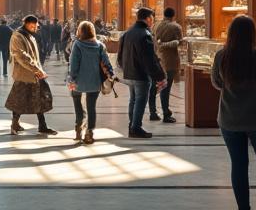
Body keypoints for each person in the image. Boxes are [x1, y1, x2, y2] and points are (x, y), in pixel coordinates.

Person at [212, 15, 256, 210]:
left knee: (239, 165)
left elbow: (216, 82)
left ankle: (244, 208)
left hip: (229, 119)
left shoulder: (222, 55)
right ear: (253, 33)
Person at [117, 7, 165, 138]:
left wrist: (124, 68)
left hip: (129, 73)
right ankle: (136, 128)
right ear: (148, 18)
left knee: (133, 99)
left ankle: (132, 124)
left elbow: (120, 55)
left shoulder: (127, 33)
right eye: (152, 19)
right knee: (140, 100)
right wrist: (159, 76)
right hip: (140, 74)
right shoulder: (145, 34)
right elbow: (149, 59)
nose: (152, 22)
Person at [7, 15, 56, 135]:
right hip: (24, 75)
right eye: (32, 25)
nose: (35, 28)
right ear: (26, 24)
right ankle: (15, 124)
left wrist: (38, 69)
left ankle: (42, 125)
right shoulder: (18, 36)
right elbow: (22, 56)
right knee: (19, 100)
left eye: (35, 25)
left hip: (35, 74)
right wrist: (36, 69)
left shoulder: (29, 35)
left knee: (39, 99)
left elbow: (34, 56)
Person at [68, 20, 112, 144]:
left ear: (80, 31)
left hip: (78, 81)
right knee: (91, 107)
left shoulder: (77, 44)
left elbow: (74, 64)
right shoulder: (100, 45)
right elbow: (107, 63)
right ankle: (89, 132)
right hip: (95, 81)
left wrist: (72, 78)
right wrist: (111, 75)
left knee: (77, 104)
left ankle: (78, 128)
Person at [150, 7, 182, 124]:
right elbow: (180, 42)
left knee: (154, 87)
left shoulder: (156, 25)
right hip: (170, 60)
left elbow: (154, 41)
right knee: (166, 88)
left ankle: (153, 112)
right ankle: (166, 113)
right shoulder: (176, 27)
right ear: (173, 15)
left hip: (157, 59)